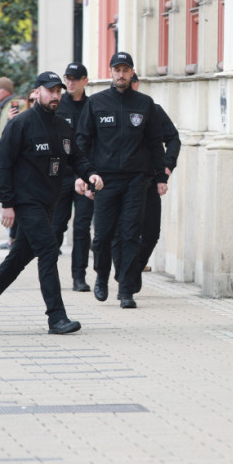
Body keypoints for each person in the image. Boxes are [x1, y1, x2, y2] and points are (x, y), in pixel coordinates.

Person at [0, 72, 102, 334]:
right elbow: (1, 165)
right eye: (50, 91)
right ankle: (56, 318)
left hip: (48, 201)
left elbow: (77, 157)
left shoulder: (62, 125)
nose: (55, 95)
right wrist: (7, 203)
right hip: (27, 202)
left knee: (19, 257)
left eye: (58, 91)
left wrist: (91, 174)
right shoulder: (21, 124)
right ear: (37, 92)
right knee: (49, 251)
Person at [76, 52, 166, 309]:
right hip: (105, 181)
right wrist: (86, 175)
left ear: (131, 73)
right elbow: (83, 141)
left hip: (136, 181)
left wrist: (160, 176)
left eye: (126, 70)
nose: (121, 74)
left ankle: (126, 290)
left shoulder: (145, 104)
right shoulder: (96, 103)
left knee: (129, 235)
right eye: (117, 70)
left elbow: (154, 143)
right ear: (111, 71)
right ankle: (101, 277)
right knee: (102, 236)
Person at [129, 72, 180, 294]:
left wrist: (166, 168)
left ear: (136, 84)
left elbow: (173, 139)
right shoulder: (107, 107)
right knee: (125, 232)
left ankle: (132, 271)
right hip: (121, 182)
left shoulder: (152, 109)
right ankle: (126, 274)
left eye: (130, 82)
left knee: (151, 233)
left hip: (149, 181)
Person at [51, 63, 95, 292]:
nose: (70, 82)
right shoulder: (58, 106)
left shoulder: (92, 106)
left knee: (82, 227)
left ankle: (79, 276)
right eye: (68, 78)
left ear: (85, 81)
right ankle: (49, 272)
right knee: (57, 226)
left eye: (75, 78)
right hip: (60, 177)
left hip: (85, 176)